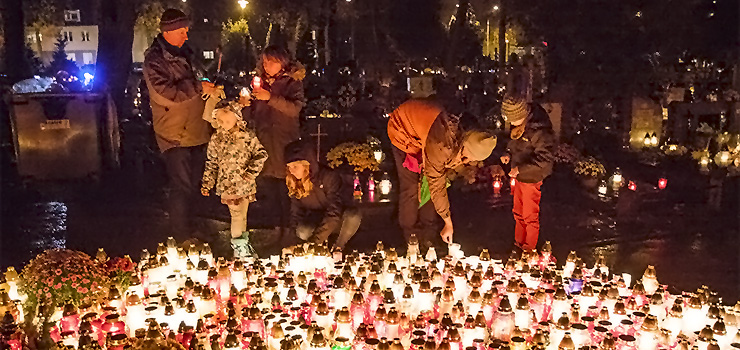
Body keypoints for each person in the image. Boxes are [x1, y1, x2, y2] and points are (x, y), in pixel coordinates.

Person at [143, 8, 216, 239]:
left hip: (197, 128)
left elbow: (199, 77)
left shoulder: (187, 53)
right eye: (182, 31)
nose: (186, 35)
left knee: (195, 185)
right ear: (169, 31)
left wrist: (208, 86)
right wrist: (197, 88)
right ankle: (181, 235)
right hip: (175, 133)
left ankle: (193, 228)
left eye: (186, 30)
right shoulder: (155, 60)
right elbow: (165, 94)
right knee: (181, 186)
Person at [387, 98, 497, 248]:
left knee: (430, 185)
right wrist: (448, 222)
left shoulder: (468, 132)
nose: (466, 161)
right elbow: (436, 182)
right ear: (464, 145)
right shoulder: (441, 144)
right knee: (412, 187)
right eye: (467, 158)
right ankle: (411, 236)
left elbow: (452, 161)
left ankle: (428, 234)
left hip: (425, 133)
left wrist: (464, 168)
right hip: (403, 131)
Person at [240, 46, 305, 234]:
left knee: (288, 191)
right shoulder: (258, 83)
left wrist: (270, 97)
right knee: (270, 190)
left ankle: (291, 231)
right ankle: (275, 230)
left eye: (272, 62)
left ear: (282, 63)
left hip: (285, 142)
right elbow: (251, 115)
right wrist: (245, 105)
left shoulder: (293, 83)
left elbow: (294, 109)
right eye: (265, 61)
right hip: (264, 143)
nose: (267, 65)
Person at [201, 101, 268, 259]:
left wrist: (251, 172)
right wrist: (207, 182)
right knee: (236, 215)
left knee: (242, 216)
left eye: (227, 121)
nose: (224, 125)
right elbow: (212, 162)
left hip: (245, 184)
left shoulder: (247, 136)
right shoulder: (217, 139)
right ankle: (239, 248)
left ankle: (242, 245)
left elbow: (261, 154)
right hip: (228, 185)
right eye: (221, 121)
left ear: (237, 118)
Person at [500, 93, 555, 251]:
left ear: (523, 114)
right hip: (519, 176)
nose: (511, 124)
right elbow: (515, 144)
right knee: (517, 212)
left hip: (531, 178)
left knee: (529, 215)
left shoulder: (539, 130)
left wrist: (520, 168)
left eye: (512, 120)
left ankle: (529, 249)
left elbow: (545, 159)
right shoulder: (520, 126)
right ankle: (518, 244)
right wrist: (508, 154)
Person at [283, 140, 362, 249]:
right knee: (303, 230)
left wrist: (314, 242)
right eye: (289, 167)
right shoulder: (295, 182)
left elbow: (334, 210)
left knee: (353, 216)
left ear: (307, 165)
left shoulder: (328, 177)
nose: (292, 171)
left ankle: (338, 247)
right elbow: (295, 214)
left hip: (338, 220)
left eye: (295, 167)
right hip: (316, 220)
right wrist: (293, 243)